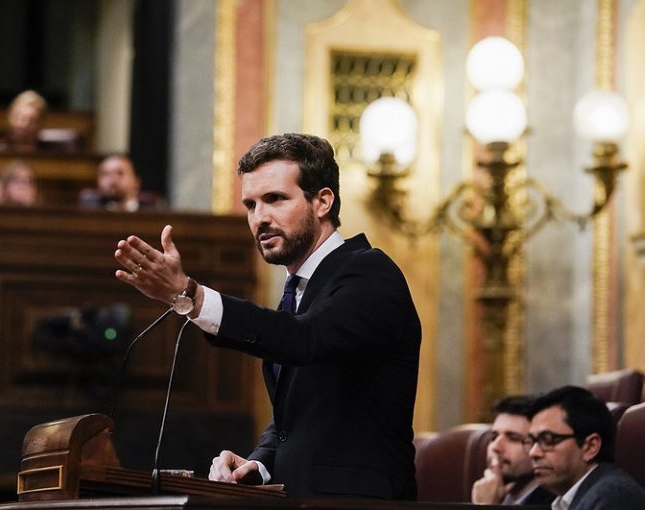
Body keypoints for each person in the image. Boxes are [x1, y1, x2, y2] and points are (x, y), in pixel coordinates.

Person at [113, 133, 421, 499]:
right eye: (250, 205)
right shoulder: (297, 294)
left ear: (322, 201)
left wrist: (192, 297)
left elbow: (303, 340)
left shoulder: (370, 274)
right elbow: (296, 419)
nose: (260, 218)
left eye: (274, 199)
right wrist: (257, 465)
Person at [525, 385, 645, 510]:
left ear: (590, 447)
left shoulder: (613, 499)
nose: (533, 453)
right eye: (532, 441)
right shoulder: (579, 497)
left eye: (548, 439)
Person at [471, 395, 554, 505]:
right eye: (493, 437)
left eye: (513, 438)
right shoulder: (494, 493)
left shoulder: (553, 502)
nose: (496, 447)